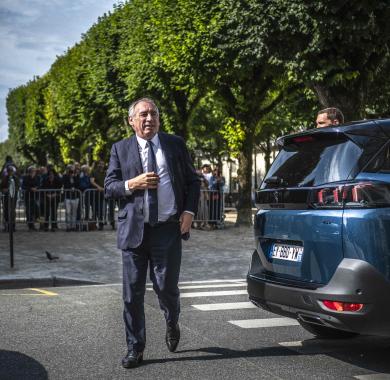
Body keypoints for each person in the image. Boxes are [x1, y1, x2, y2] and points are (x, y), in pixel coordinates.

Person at [104, 97, 200, 369]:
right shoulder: (120, 149)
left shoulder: (175, 144)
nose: (149, 119)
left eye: (154, 114)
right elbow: (109, 186)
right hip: (133, 231)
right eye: (143, 114)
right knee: (132, 294)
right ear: (131, 120)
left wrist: (189, 212)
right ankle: (135, 348)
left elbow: (193, 182)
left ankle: (172, 320)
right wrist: (132, 183)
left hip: (167, 229)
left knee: (166, 288)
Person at [22, 166, 40, 231]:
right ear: (29, 172)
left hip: (36, 197)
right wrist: (30, 188)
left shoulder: (37, 177)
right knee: (29, 212)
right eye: (32, 171)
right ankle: (31, 226)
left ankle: (36, 223)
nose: (33, 172)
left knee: (37, 210)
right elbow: (23, 186)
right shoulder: (25, 177)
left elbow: (39, 185)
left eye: (34, 171)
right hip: (28, 197)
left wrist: (36, 188)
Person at [90, 160, 106, 230]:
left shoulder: (105, 173)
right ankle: (94, 225)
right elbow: (92, 181)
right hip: (95, 194)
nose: (101, 165)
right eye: (100, 164)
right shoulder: (94, 172)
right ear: (98, 165)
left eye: (102, 164)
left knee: (101, 210)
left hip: (103, 194)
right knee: (95, 209)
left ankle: (101, 224)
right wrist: (98, 187)